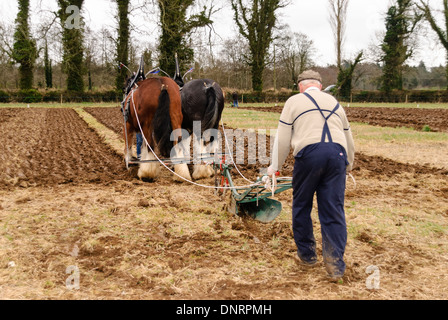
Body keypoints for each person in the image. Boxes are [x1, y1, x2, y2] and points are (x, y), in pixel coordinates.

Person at [268, 70, 355, 281]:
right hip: (337, 155)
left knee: (302, 205)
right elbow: (348, 136)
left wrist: (274, 166)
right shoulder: (335, 102)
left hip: (309, 155)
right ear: (320, 86)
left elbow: (283, 138)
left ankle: (307, 256)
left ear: (301, 86)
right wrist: (348, 165)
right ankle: (335, 265)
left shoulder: (294, 101)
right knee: (333, 210)